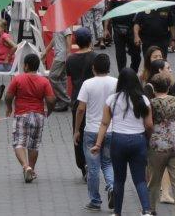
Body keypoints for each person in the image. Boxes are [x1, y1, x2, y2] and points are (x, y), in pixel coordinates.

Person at [92, 67, 154, 216]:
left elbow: (104, 124)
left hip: (118, 140)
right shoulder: (143, 99)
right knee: (139, 179)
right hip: (138, 140)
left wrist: (98, 144)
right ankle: (146, 210)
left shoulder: (112, 100)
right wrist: (148, 137)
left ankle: (117, 212)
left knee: (119, 179)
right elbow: (149, 125)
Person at [76, 53, 118, 211]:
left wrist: (76, 130)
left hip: (92, 130)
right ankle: (112, 187)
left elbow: (81, 109)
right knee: (108, 163)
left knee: (93, 167)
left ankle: (95, 200)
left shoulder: (88, 84)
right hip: (111, 129)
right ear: (109, 68)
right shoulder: (116, 82)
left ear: (93, 68)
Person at [3, 52, 54, 183]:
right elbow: (51, 99)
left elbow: (8, 96)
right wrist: (49, 111)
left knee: (19, 142)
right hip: (38, 115)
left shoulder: (18, 79)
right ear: (37, 67)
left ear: (25, 66)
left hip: (22, 114)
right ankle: (31, 169)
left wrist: (9, 108)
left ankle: (26, 167)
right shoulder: (44, 81)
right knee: (34, 145)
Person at [147, 72, 175, 216]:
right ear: (169, 87)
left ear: (153, 89)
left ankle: (151, 209)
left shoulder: (151, 103)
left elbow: (148, 124)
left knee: (154, 179)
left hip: (158, 145)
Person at [64, 27, 98, 171]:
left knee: (79, 131)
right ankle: (93, 160)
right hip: (95, 98)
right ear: (90, 40)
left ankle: (82, 163)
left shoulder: (70, 59)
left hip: (78, 98)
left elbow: (69, 77)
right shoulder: (96, 57)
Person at [106, 0, 142, 72]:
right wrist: (106, 29)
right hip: (118, 28)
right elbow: (109, 12)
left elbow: (140, 12)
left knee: (136, 55)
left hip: (132, 29)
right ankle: (122, 75)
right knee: (120, 55)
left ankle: (133, 72)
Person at [134, 0, 175, 66]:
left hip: (162, 41)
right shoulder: (144, 8)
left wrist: (173, 40)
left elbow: (172, 25)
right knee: (148, 62)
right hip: (147, 40)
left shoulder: (166, 8)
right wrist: (136, 36)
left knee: (162, 62)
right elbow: (137, 23)